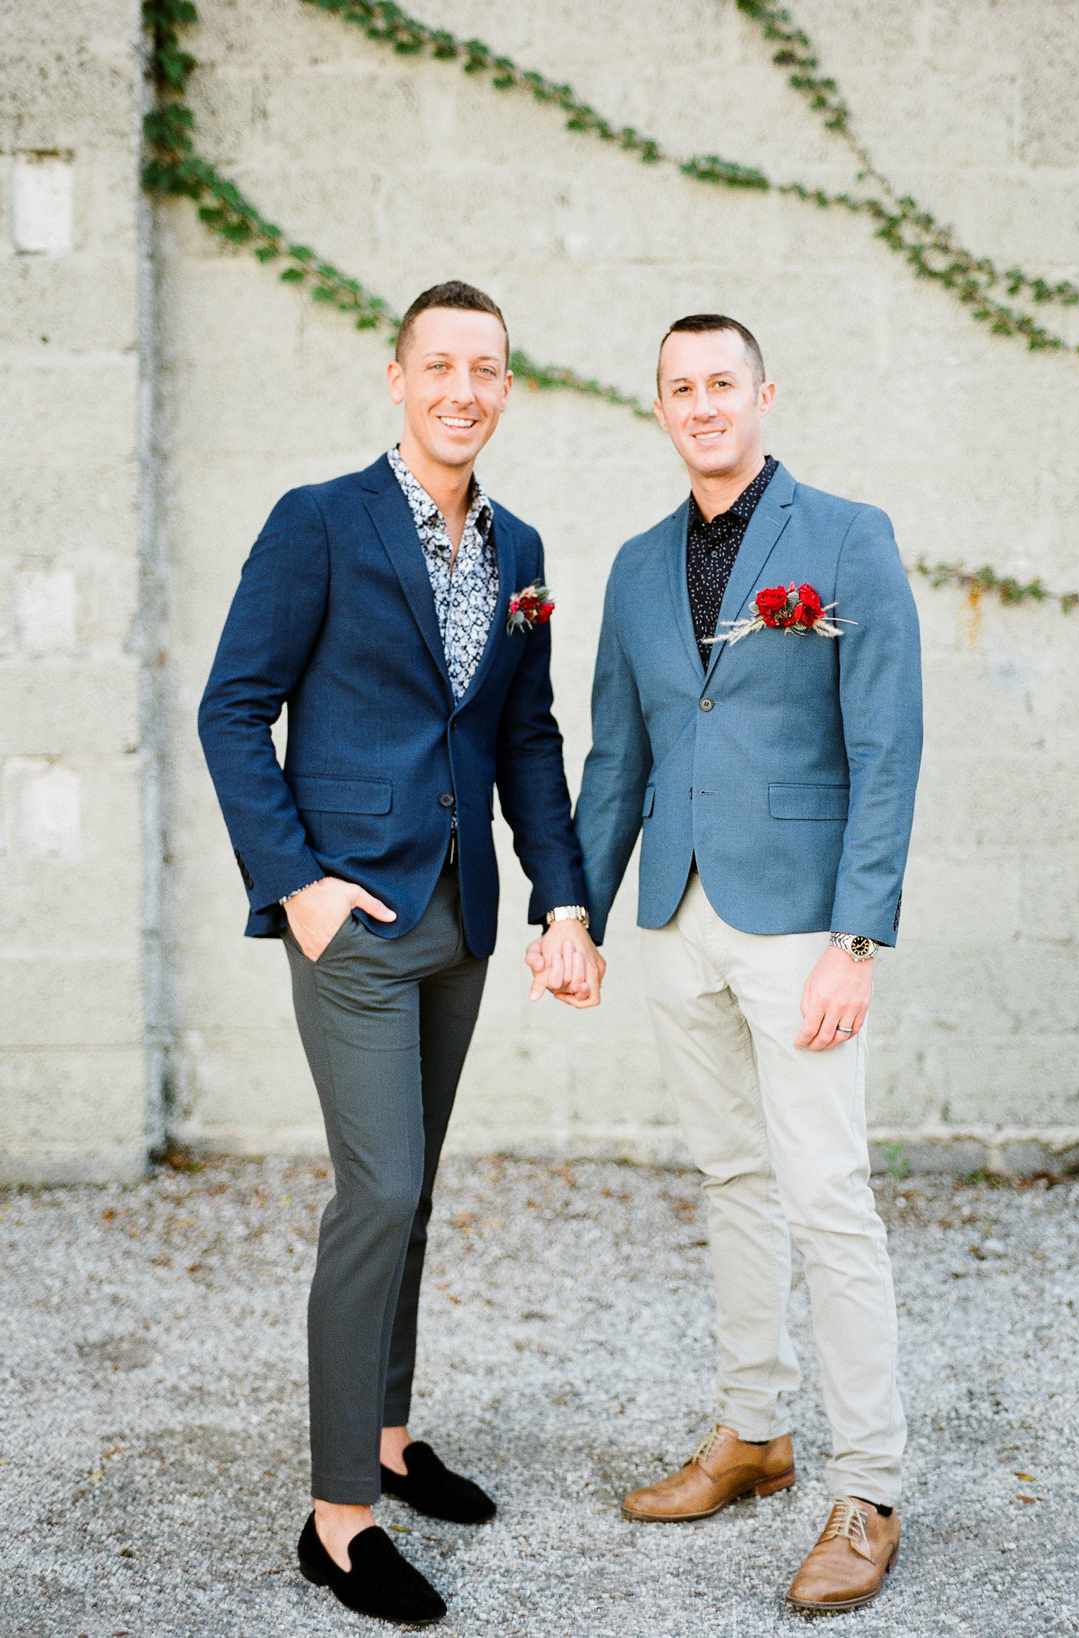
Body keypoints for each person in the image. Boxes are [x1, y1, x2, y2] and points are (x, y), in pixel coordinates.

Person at [197, 280, 602, 1627]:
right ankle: (336, 1517)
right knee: (375, 1189)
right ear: (397, 376)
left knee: (415, 1188)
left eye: (486, 367)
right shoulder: (318, 522)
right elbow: (231, 707)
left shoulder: (521, 544)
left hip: (464, 911)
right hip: (352, 916)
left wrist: (561, 896)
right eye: (440, 365)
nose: (462, 389)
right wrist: (296, 887)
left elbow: (525, 737)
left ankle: (385, 1434)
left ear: (505, 385)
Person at [530, 312, 923, 1614]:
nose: (703, 404)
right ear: (660, 405)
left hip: (805, 922)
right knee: (733, 1177)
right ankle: (755, 1432)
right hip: (676, 921)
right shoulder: (642, 565)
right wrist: (569, 907)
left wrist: (857, 938)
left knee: (827, 1192)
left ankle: (867, 1485)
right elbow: (621, 758)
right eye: (680, 387)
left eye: (723, 384)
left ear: (764, 392)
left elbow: (888, 743)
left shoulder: (847, 538)